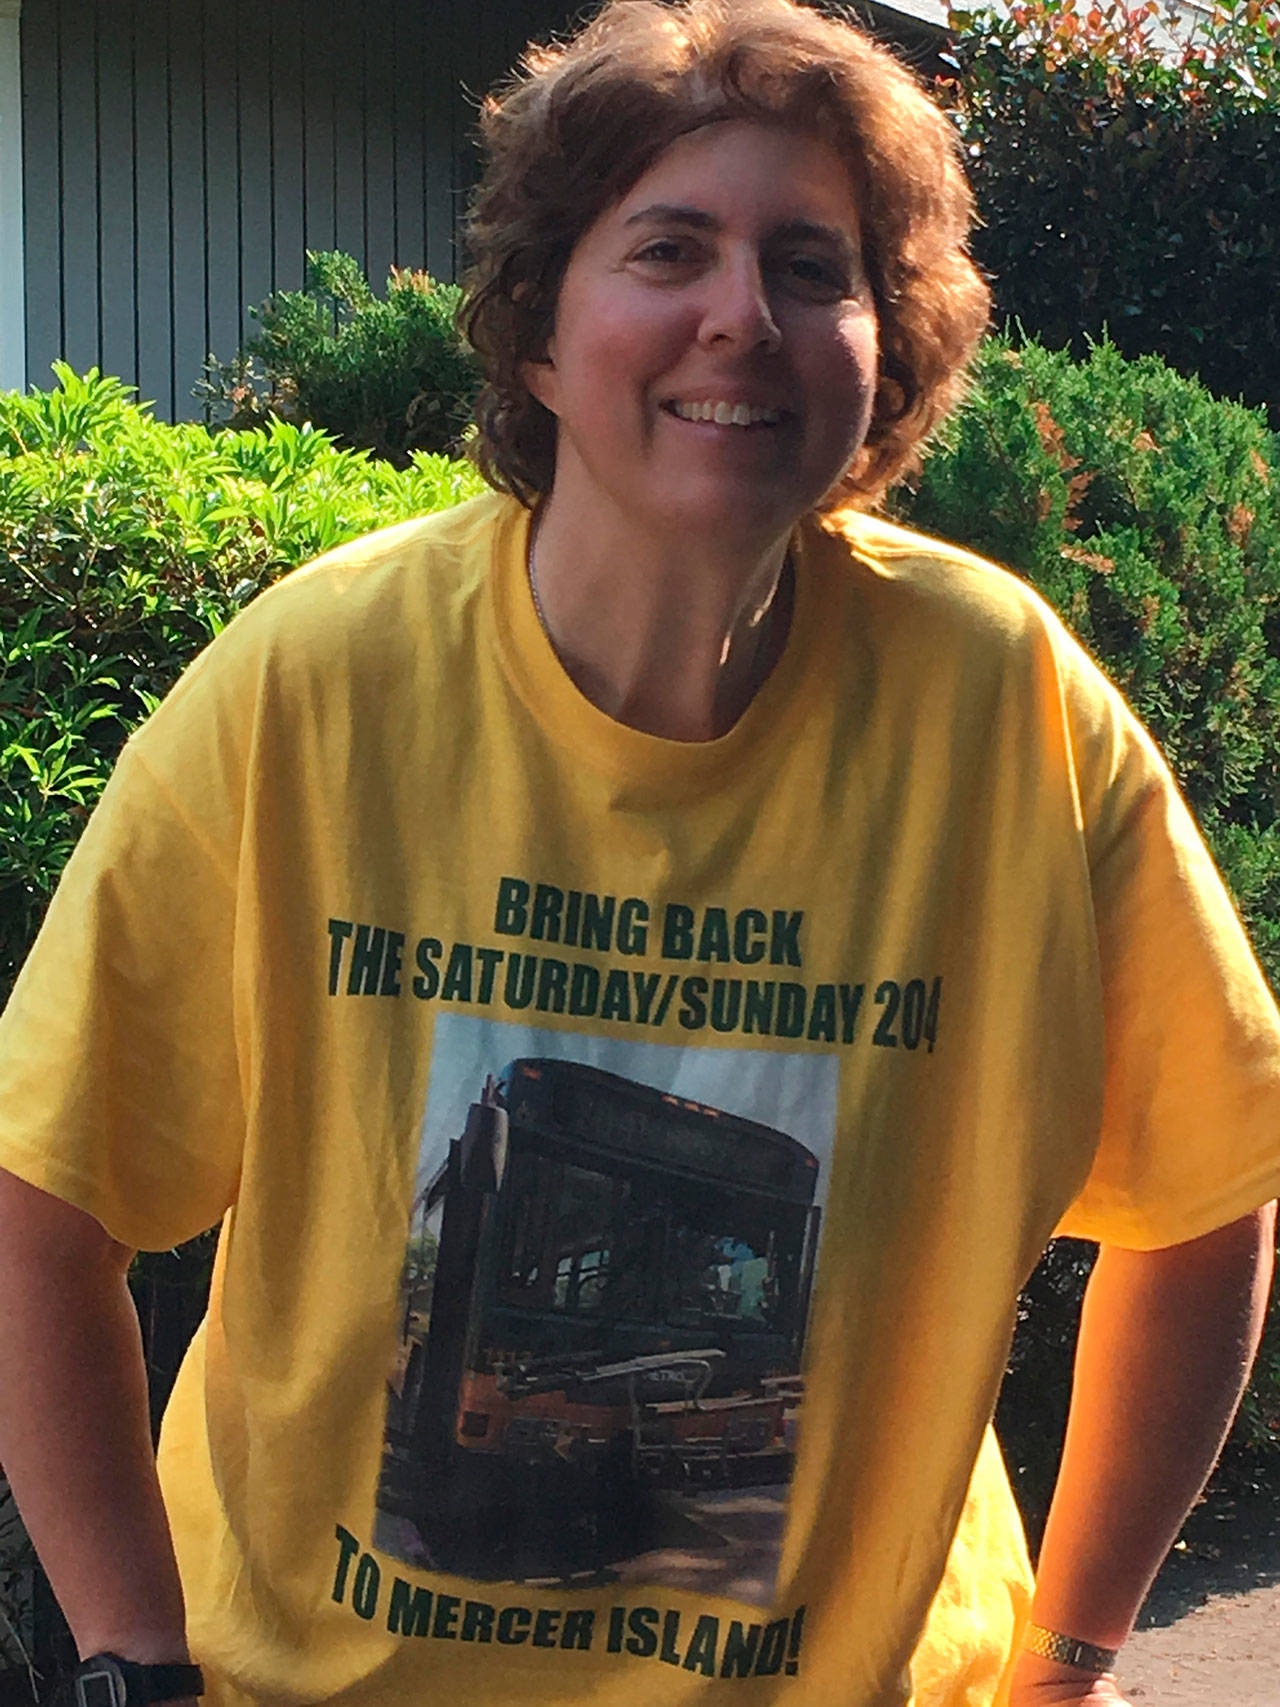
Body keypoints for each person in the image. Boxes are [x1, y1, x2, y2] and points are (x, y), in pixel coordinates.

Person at [0, 2, 1276, 1704]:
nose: (742, 315)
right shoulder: (318, 685)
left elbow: (1207, 1193)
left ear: (885, 350)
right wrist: (133, 1665)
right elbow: (39, 1208)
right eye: (669, 247)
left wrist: (1069, 1651)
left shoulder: (1007, 707)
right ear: (538, 336)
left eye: (814, 267)